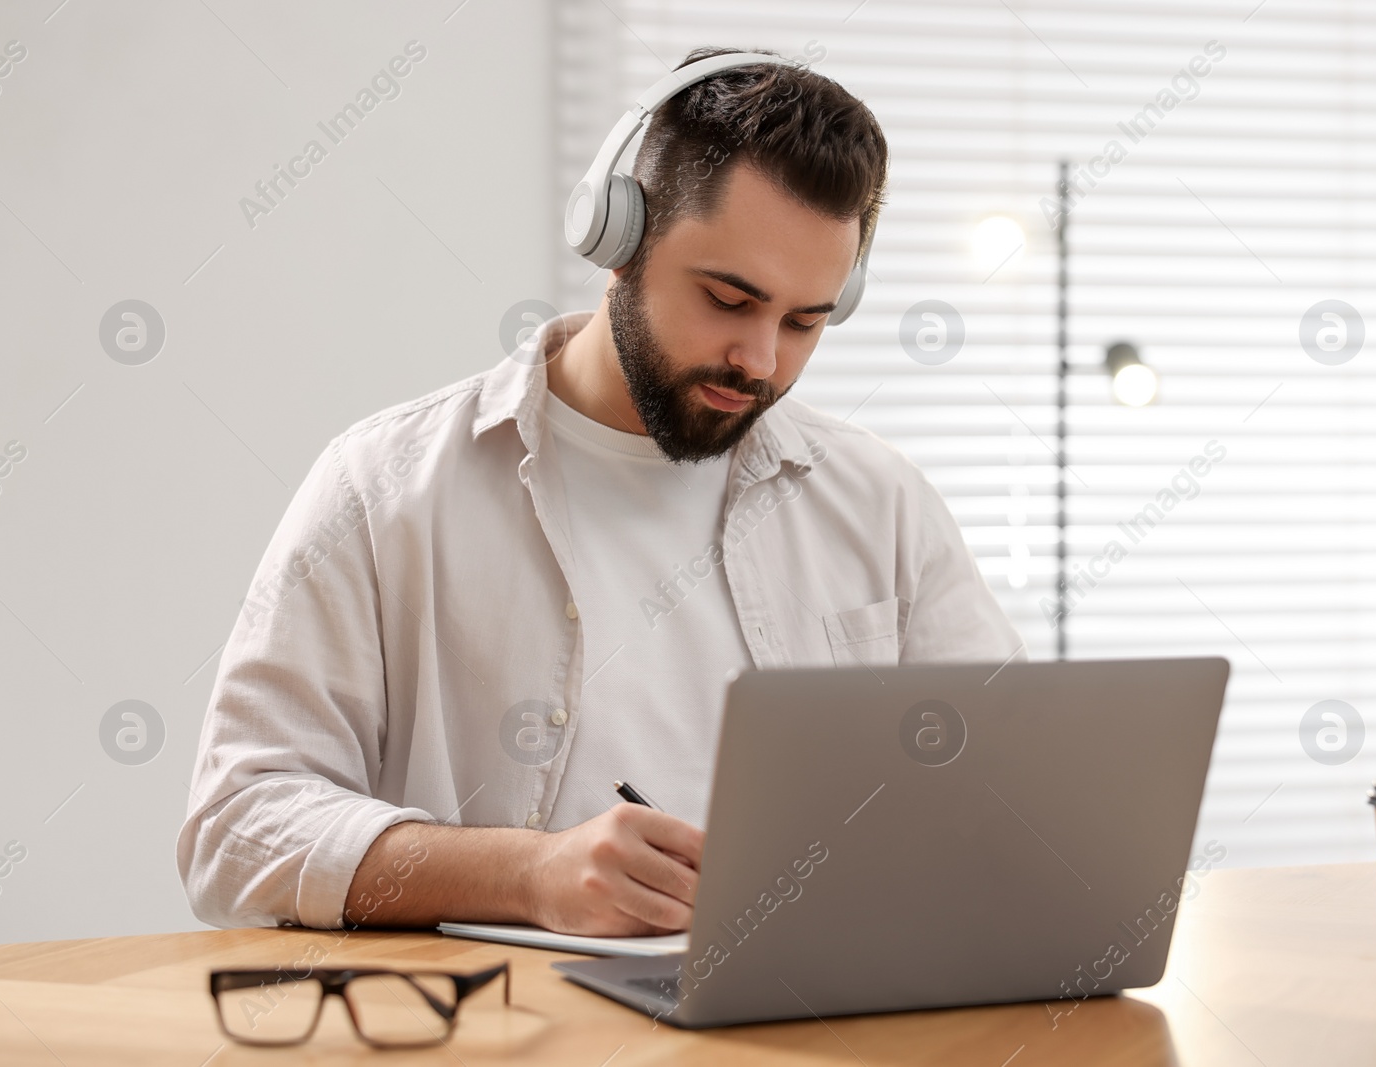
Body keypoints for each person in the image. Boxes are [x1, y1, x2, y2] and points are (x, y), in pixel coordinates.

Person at [176, 46, 1024, 938]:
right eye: (729, 299)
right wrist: (528, 874)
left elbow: (1013, 791)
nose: (763, 360)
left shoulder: (881, 501)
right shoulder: (382, 484)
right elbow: (236, 827)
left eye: (805, 321)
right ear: (618, 238)